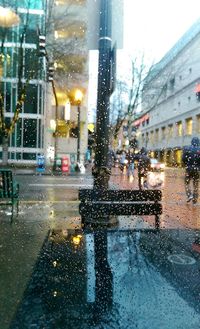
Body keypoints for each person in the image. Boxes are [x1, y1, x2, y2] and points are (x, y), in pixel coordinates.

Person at [182, 137, 200, 204]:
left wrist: (187, 165)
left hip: (188, 169)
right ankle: (195, 200)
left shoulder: (187, 148)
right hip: (197, 169)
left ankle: (189, 195)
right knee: (196, 184)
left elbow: (183, 159)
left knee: (186, 182)